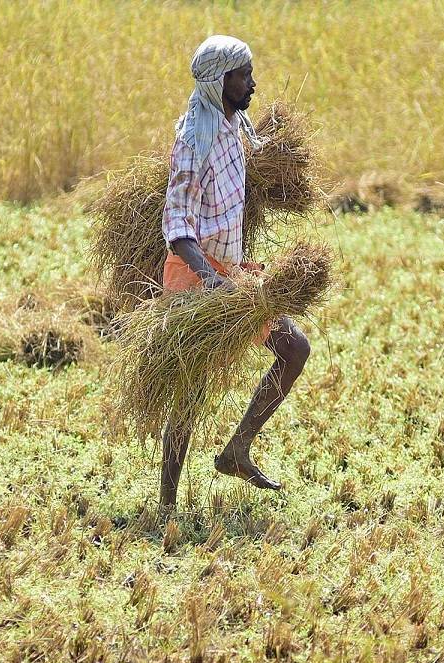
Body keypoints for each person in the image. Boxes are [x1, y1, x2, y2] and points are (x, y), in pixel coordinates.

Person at [158, 34, 310, 512]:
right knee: (191, 386)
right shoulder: (192, 140)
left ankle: (236, 450)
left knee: (293, 348)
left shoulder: (234, 125)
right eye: (243, 76)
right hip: (196, 271)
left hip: (232, 270)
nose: (253, 84)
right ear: (218, 81)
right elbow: (177, 226)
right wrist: (211, 280)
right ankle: (166, 502)